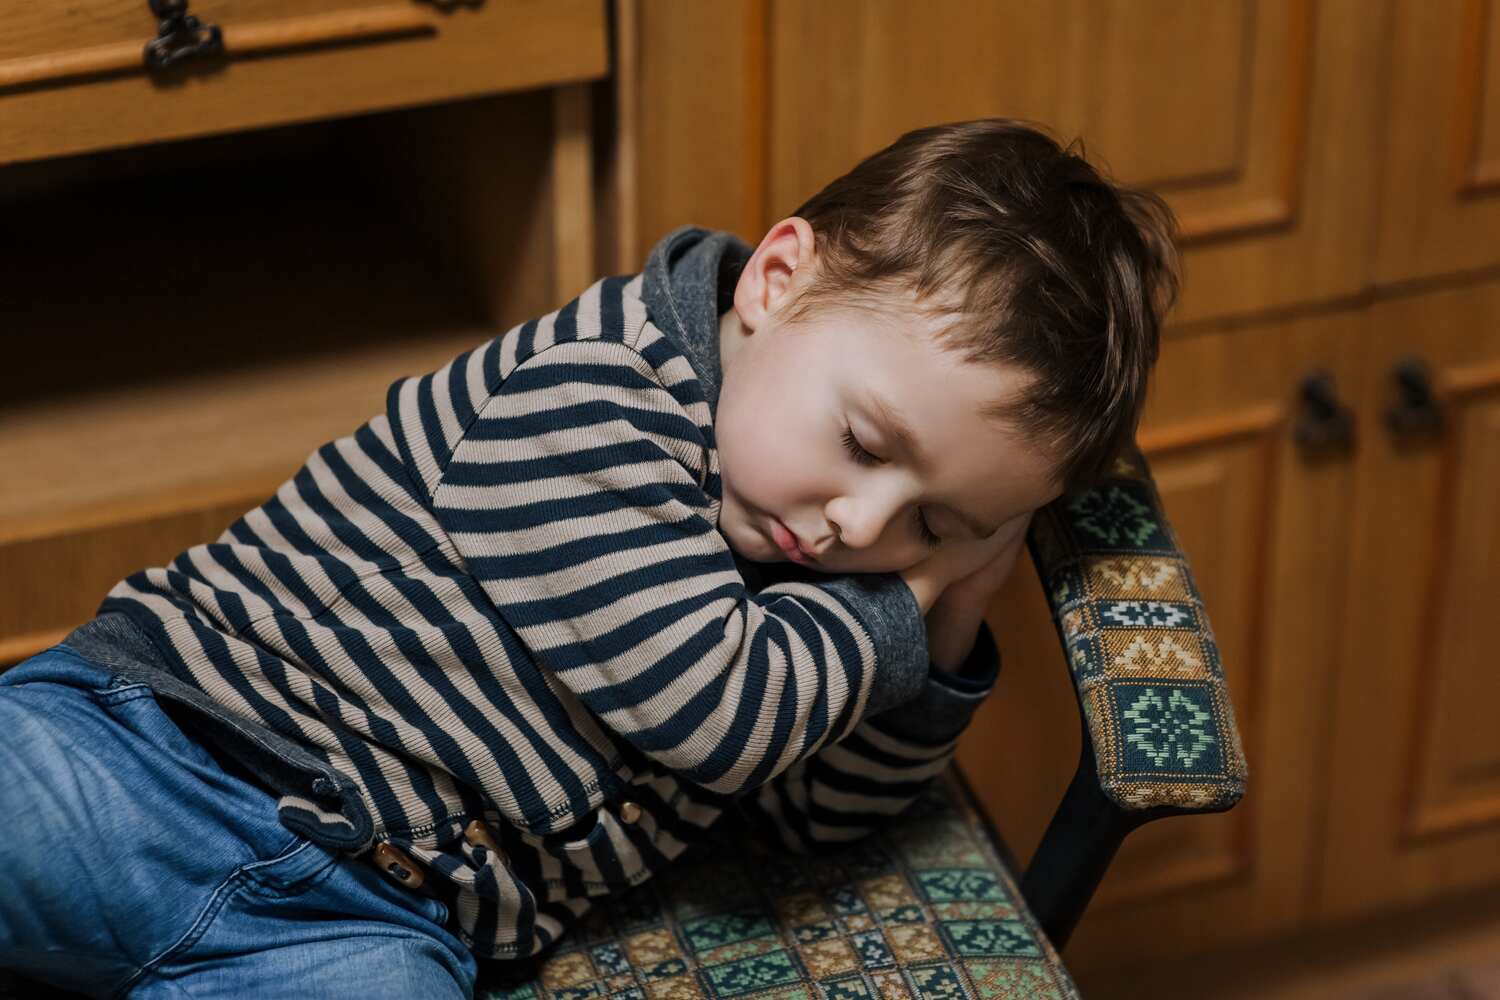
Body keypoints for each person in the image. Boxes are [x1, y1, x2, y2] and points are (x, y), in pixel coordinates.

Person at [0, 117, 1178, 998]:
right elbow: (718, 712)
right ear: (777, 282)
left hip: (369, 918)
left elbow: (820, 819)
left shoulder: (806, 554)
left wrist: (954, 618)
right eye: (864, 442)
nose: (862, 528)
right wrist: (906, 607)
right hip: (163, 754)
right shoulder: (597, 391)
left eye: (941, 518)